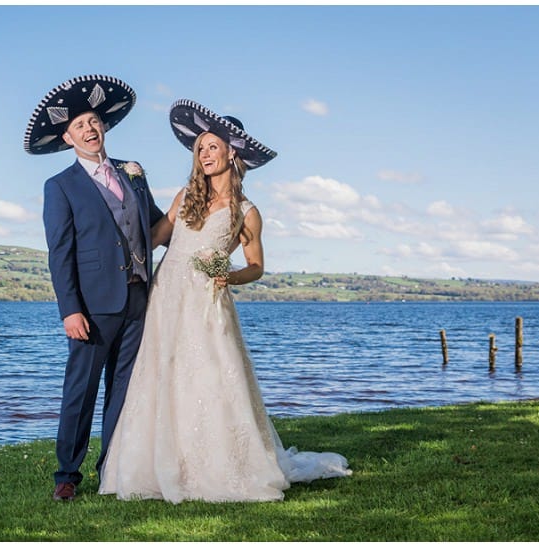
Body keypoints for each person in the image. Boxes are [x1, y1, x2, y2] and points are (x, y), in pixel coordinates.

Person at [99, 99, 351, 503]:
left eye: (213, 147)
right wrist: (131, 191)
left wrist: (228, 276)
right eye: (200, 149)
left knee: (210, 378)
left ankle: (218, 465)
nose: (205, 155)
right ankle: (162, 465)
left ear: (232, 152)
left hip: (207, 300)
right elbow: (156, 236)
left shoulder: (247, 212)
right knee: (163, 375)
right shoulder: (186, 196)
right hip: (167, 296)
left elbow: (256, 266)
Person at [24, 74, 165, 501]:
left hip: (140, 299)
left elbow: (158, 225)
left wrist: (203, 223)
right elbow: (59, 252)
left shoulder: (132, 173)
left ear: (103, 127)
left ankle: (113, 468)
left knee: (124, 389)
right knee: (80, 391)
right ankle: (67, 473)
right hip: (93, 305)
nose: (89, 129)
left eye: (93, 121)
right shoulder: (60, 187)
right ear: (67, 138)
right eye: (79, 125)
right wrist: (70, 310)